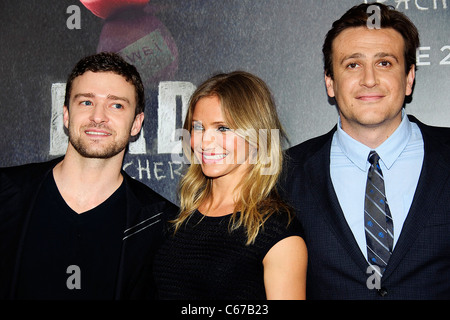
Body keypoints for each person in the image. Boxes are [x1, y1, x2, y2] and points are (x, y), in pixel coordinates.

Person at [280, 2, 450, 299]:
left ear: (409, 78)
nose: (369, 79)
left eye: (384, 63)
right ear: (330, 82)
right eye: (352, 64)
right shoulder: (285, 175)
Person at [0, 52, 177, 299]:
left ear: (136, 124)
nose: (98, 116)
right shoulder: (6, 194)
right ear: (65, 114)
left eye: (116, 105)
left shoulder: (160, 225)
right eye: (86, 102)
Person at [153, 71, 307, 300]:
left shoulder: (276, 231)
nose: (205, 141)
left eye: (223, 128)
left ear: (257, 137)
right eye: (198, 127)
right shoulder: (182, 218)